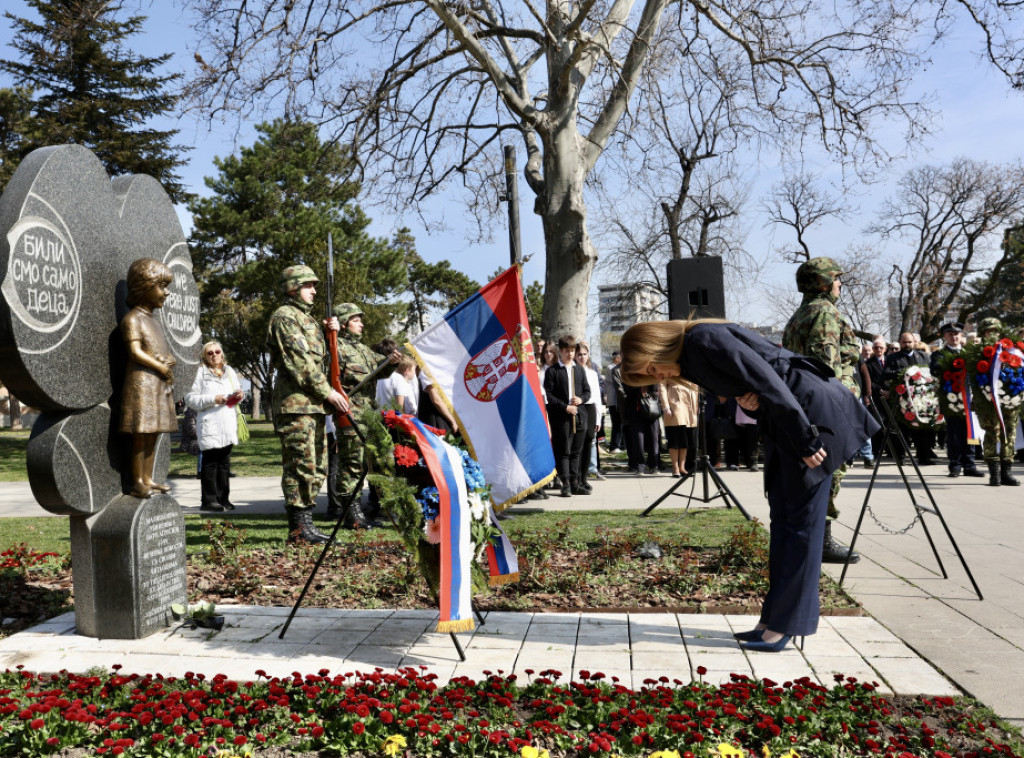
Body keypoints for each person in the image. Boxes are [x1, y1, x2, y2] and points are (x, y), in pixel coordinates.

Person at [620, 319, 878, 652]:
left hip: (807, 416)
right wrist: (744, 398)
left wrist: (805, 439)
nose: (658, 377)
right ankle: (772, 620)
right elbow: (753, 383)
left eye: (652, 368)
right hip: (787, 418)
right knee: (784, 521)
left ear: (656, 345)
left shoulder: (702, 339)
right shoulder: (692, 358)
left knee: (802, 525)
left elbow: (769, 378)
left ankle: (788, 624)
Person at [781, 256, 861, 564]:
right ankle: (821, 539)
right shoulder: (825, 312)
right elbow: (825, 367)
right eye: (837, 279)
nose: (841, 284)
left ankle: (810, 535)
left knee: (815, 472)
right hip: (830, 407)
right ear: (823, 283)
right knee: (830, 471)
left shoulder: (801, 313)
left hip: (809, 404)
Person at [266, 265, 350, 544]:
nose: (314, 291)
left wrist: (332, 335)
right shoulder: (285, 317)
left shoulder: (308, 320)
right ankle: (299, 529)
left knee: (317, 467)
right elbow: (300, 363)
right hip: (296, 406)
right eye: (308, 286)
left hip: (312, 407)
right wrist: (328, 393)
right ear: (292, 288)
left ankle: (307, 525)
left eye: (314, 285)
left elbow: (324, 361)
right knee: (300, 465)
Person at [333, 302, 401, 527]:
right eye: (355, 320)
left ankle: (376, 508)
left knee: (377, 461)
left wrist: (391, 363)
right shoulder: (336, 349)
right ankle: (351, 514)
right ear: (343, 324)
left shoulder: (363, 350)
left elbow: (379, 370)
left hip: (369, 414)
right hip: (350, 414)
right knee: (352, 464)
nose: (361, 324)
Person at [119, 258, 178, 499]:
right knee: (141, 435)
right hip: (141, 384)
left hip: (157, 384)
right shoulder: (133, 319)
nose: (166, 293)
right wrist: (159, 366)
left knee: (153, 434)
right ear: (145, 286)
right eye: (161, 286)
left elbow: (155, 350)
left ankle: (148, 478)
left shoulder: (154, 321)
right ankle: (137, 482)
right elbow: (135, 352)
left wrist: (168, 360)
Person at [185, 340, 244, 512]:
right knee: (210, 464)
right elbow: (190, 399)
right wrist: (212, 399)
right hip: (210, 422)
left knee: (224, 464)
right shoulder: (199, 373)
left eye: (217, 352)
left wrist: (239, 395)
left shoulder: (230, 371)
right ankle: (209, 500)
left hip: (227, 422)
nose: (214, 355)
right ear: (204, 356)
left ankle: (223, 498)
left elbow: (237, 391)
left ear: (222, 353)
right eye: (210, 353)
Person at [930, 323, 984, 479]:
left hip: (970, 399)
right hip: (951, 399)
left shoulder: (969, 353)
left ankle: (970, 465)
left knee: (971, 432)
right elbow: (935, 369)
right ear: (945, 337)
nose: (954, 337)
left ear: (962, 336)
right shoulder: (939, 355)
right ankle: (955, 465)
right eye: (950, 334)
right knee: (954, 433)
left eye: (957, 334)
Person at [973, 317, 1021, 487]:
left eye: (995, 331)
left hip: (1010, 400)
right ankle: (994, 474)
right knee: (992, 434)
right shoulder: (977, 352)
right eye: (988, 331)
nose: (992, 334)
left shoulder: (1012, 350)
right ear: (983, 333)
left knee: (1010, 435)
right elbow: (973, 379)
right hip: (988, 402)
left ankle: (1006, 472)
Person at [543, 334, 590, 496]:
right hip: (561, 418)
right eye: (566, 351)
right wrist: (565, 407)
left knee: (577, 450)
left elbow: (587, 391)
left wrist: (581, 399)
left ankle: (576, 482)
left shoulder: (579, 370)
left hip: (579, 416)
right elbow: (549, 395)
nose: (569, 354)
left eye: (572, 351)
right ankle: (566, 483)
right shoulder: (553, 371)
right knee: (564, 450)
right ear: (560, 352)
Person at [882, 331, 936, 466]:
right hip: (902, 399)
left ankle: (924, 456)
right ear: (900, 343)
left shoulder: (923, 356)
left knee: (922, 428)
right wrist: (906, 372)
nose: (907, 344)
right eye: (904, 342)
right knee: (901, 429)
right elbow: (886, 374)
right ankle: (900, 456)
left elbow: (931, 373)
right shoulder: (892, 358)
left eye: (909, 342)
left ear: (914, 342)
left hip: (920, 399)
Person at [575, 341, 605, 485]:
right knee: (577, 443)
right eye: (579, 354)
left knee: (589, 442)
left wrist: (598, 419)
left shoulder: (592, 373)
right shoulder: (572, 371)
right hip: (577, 408)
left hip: (590, 408)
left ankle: (584, 477)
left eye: (584, 354)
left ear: (588, 355)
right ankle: (575, 476)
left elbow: (597, 397)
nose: (582, 357)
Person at [659, 380, 699, 476]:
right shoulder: (667, 366)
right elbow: (662, 386)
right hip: (675, 402)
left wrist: (696, 404)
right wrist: (666, 407)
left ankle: (682, 466)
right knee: (675, 438)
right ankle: (675, 467)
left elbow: (695, 385)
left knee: (685, 439)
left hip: (690, 401)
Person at [605, 352, 625, 452]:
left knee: (621, 423)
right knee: (617, 423)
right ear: (617, 358)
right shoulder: (611, 368)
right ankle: (614, 445)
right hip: (614, 400)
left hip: (618, 400)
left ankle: (621, 444)